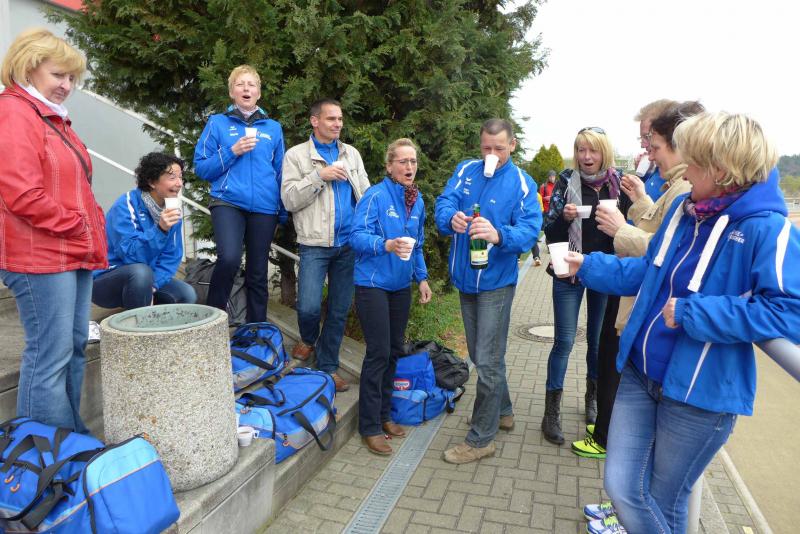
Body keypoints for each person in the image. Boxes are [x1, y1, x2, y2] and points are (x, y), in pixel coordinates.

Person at [564, 112, 800, 534]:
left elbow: (789, 313)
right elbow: (648, 271)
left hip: (698, 396)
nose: (684, 172)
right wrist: (589, 266)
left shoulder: (768, 230)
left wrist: (697, 313)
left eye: (693, 163)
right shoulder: (684, 211)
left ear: (720, 170)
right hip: (639, 373)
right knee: (621, 488)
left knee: (664, 499)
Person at [572, 101, 704, 461]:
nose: (646, 149)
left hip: (649, 311)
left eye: (651, 141)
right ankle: (606, 430)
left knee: (616, 364)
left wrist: (620, 230)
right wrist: (641, 200)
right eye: (644, 140)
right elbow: (658, 246)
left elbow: (661, 256)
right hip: (633, 296)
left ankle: (606, 434)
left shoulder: (686, 190)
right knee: (608, 354)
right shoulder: (673, 185)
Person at [0, 28, 107, 432]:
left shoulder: (50, 117)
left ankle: (69, 437)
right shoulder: (14, 112)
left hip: (69, 250)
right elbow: (21, 193)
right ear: (28, 69)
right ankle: (44, 446)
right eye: (58, 75)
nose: (67, 85)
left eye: (72, 78)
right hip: (39, 256)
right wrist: (79, 226)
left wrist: (88, 229)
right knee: (51, 353)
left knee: (74, 347)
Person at [435, 119, 541, 464]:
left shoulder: (523, 183)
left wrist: (499, 235)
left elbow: (530, 230)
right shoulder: (466, 170)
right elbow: (445, 202)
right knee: (483, 355)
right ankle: (503, 412)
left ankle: (481, 439)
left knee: (488, 359)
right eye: (486, 148)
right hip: (465, 280)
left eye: (498, 148)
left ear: (512, 145)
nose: (491, 154)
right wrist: (450, 218)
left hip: (496, 283)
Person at [281, 99, 370, 392]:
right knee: (308, 306)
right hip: (315, 244)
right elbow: (289, 199)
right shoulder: (296, 156)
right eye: (331, 118)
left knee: (339, 309)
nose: (338, 124)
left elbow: (366, 194)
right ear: (315, 121)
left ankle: (328, 366)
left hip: (349, 245)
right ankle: (308, 338)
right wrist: (319, 176)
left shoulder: (351, 154)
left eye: (340, 119)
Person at [350, 138, 432, 455]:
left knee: (395, 350)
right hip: (372, 283)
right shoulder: (375, 196)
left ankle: (384, 415)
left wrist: (422, 278)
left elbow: (418, 244)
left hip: (400, 286)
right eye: (403, 162)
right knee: (379, 352)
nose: (409, 167)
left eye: (413, 161)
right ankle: (369, 426)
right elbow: (356, 236)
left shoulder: (417, 200)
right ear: (389, 166)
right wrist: (384, 245)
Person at [541, 127, 621, 446]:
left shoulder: (618, 183)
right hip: (568, 270)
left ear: (604, 152)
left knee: (597, 342)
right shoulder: (565, 181)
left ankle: (593, 401)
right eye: (581, 150)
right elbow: (549, 229)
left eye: (593, 150)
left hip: (603, 272)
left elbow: (630, 231)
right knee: (564, 341)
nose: (586, 156)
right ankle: (551, 413)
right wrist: (563, 217)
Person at [193, 65, 285, 323]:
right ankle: (214, 322)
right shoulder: (217, 123)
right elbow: (201, 167)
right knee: (229, 259)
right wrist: (232, 151)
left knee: (258, 272)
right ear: (231, 92)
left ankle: (256, 331)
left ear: (259, 93)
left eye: (251, 84)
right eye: (240, 84)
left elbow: (281, 172)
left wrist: (282, 211)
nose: (246, 88)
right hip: (228, 201)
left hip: (265, 207)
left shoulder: (273, 128)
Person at [92, 152, 196, 310]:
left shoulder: (171, 210)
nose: (179, 183)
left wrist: (154, 285)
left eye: (180, 177)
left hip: (147, 277)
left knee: (187, 294)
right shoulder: (126, 205)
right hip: (108, 279)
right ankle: (138, 325)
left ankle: (156, 323)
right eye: (172, 177)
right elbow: (130, 255)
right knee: (140, 273)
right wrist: (160, 230)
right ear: (152, 182)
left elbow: (171, 257)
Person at [634, 99, 677, 202]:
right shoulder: (660, 170)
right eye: (641, 138)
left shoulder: (684, 181)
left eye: (647, 137)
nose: (642, 145)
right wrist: (645, 174)